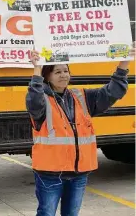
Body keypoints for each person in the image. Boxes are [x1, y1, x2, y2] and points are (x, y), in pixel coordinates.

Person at [26, 44, 134, 216]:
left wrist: (124, 63)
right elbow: (33, 98)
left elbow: (112, 92)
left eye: (66, 71)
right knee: (46, 213)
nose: (63, 75)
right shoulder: (41, 101)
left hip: (79, 174)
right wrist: (37, 69)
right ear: (48, 76)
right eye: (57, 72)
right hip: (51, 175)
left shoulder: (82, 96)